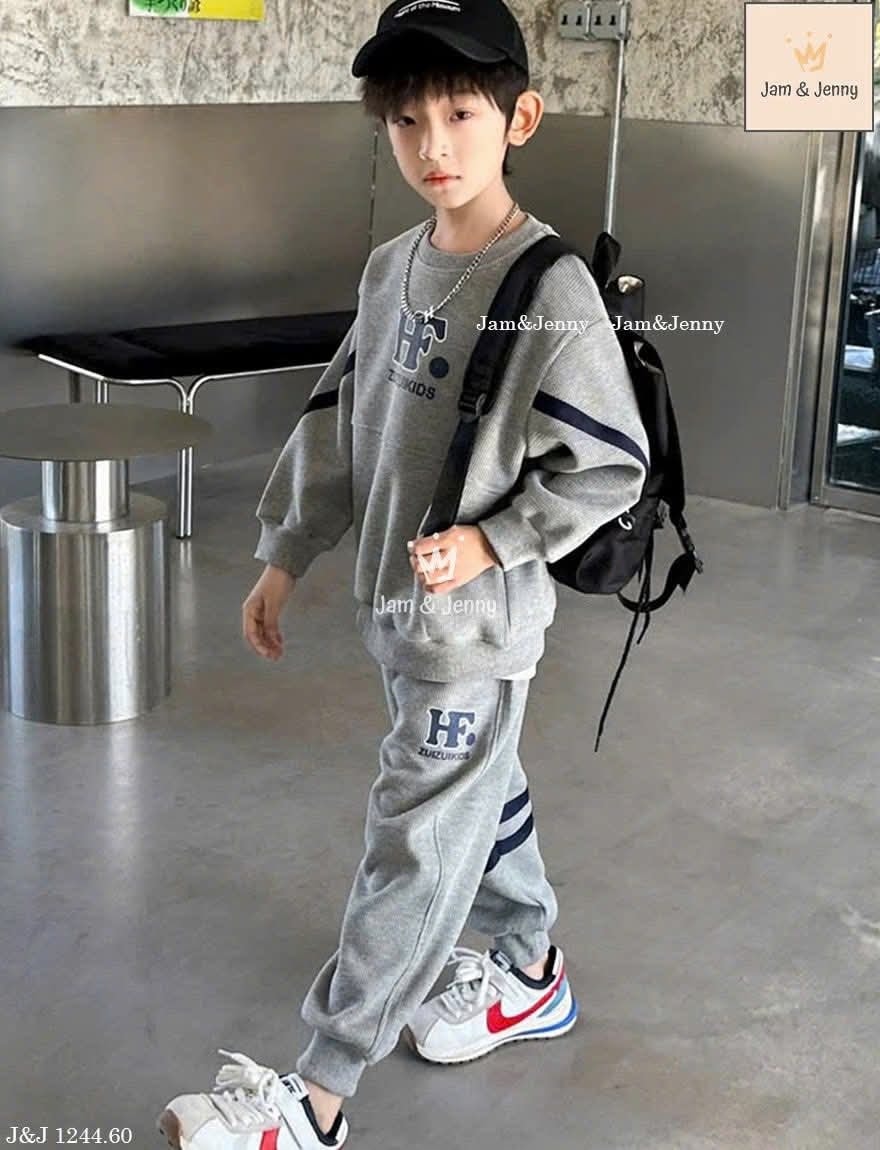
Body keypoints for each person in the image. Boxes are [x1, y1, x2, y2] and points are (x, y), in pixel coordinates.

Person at [156, 1, 648, 1147]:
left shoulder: (546, 289)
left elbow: (608, 465)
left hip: (470, 627)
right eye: (407, 119)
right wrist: (284, 555)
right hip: (397, 612)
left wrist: (493, 542)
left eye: (461, 113)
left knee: (416, 843)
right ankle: (529, 967)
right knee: (481, 783)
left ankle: (314, 1097)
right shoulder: (394, 268)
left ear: (519, 118)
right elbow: (337, 424)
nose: (434, 144)